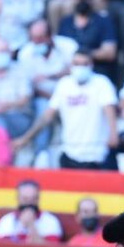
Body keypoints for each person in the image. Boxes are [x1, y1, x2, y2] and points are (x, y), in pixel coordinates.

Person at [15, 50, 119, 170]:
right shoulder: (64, 84)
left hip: (97, 153)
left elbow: (109, 109)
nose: (80, 68)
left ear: (91, 65)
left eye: (85, 64)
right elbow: (47, 116)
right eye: (76, 63)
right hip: (69, 152)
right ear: (70, 65)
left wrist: (113, 134)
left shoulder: (101, 83)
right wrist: (25, 138)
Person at [16, 18, 77, 159]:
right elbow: (29, 87)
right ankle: (40, 154)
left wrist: (52, 76)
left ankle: (72, 155)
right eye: (33, 38)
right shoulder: (25, 53)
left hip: (69, 95)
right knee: (43, 109)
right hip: (43, 97)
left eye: (40, 38)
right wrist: (54, 100)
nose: (36, 42)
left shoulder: (68, 46)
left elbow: (77, 69)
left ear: (50, 36)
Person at [59, 0, 119, 83]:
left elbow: (110, 53)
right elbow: (59, 48)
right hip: (69, 72)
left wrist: (84, 54)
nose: (82, 0)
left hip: (97, 72)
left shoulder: (103, 21)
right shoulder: (66, 22)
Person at [0, 179, 64, 244]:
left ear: (38, 199)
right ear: (17, 198)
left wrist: (31, 226)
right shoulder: (7, 221)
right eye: (25, 199)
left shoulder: (50, 221)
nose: (29, 204)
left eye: (33, 199)